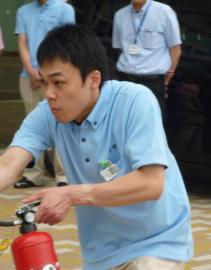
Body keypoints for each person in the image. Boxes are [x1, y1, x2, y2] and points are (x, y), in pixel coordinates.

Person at [0, 24, 193, 270]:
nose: (49, 94)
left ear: (93, 79)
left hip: (157, 241)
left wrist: (70, 194)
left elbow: (151, 183)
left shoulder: (134, 101)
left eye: (58, 83)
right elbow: (9, 163)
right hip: (100, 253)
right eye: (44, 82)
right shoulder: (46, 115)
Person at [14, 0, 75, 188]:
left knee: (64, 123)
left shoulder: (65, 9)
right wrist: (32, 71)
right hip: (28, 77)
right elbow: (22, 43)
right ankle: (33, 174)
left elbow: (68, 44)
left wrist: (47, 74)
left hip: (58, 78)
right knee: (32, 125)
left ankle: (64, 176)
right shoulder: (24, 11)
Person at [112, 0, 182, 117]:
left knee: (148, 125)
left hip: (151, 83)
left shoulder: (164, 12)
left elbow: (175, 49)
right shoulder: (120, 15)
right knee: (120, 121)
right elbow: (118, 48)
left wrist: (166, 81)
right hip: (124, 80)